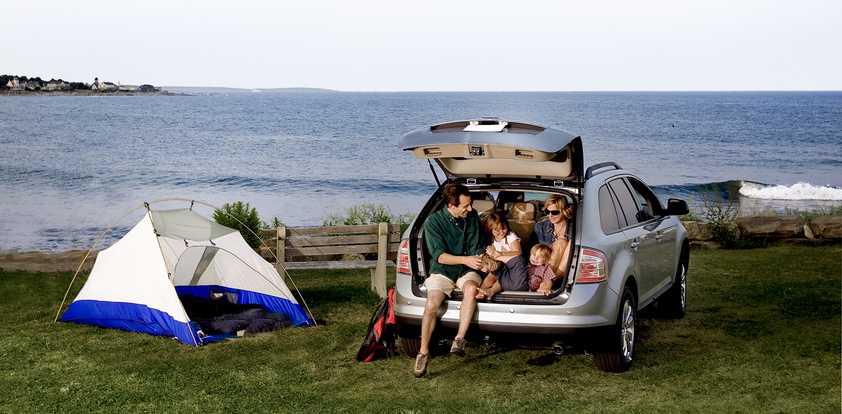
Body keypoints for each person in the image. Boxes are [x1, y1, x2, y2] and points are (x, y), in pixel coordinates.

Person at [414, 184, 487, 378]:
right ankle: (423, 353)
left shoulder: (472, 217)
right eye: (465, 206)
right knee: (431, 304)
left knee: (470, 290)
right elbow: (439, 256)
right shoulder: (433, 222)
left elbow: (478, 247)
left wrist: (482, 261)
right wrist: (466, 259)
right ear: (451, 205)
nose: (470, 209)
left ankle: (459, 340)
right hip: (443, 270)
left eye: (470, 204)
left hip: (468, 270)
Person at [476, 213, 528, 300]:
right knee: (492, 274)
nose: (501, 232)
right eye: (497, 230)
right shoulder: (491, 240)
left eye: (503, 228)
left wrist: (500, 253)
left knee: (501, 276)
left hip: (513, 267)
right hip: (500, 266)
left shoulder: (510, 236)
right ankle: (481, 291)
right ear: (490, 229)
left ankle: (490, 291)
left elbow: (517, 252)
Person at [531, 194, 574, 278]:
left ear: (564, 211)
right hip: (539, 268)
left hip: (564, 273)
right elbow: (531, 251)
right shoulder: (540, 227)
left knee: (563, 243)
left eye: (554, 212)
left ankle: (548, 280)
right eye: (547, 212)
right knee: (561, 243)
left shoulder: (575, 229)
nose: (550, 215)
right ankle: (548, 280)